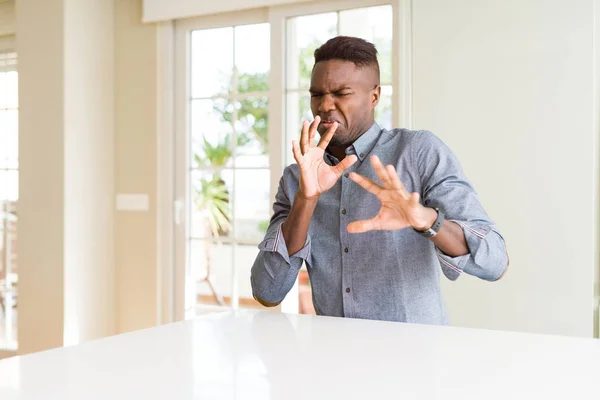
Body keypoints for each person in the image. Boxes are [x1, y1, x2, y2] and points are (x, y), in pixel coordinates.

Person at [250, 36, 509, 325]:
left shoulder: (417, 152)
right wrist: (306, 200)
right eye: (316, 94)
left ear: (374, 96)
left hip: (417, 360)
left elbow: (495, 261)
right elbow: (267, 292)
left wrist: (426, 220)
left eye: (341, 93)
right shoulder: (296, 177)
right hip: (334, 360)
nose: (324, 105)